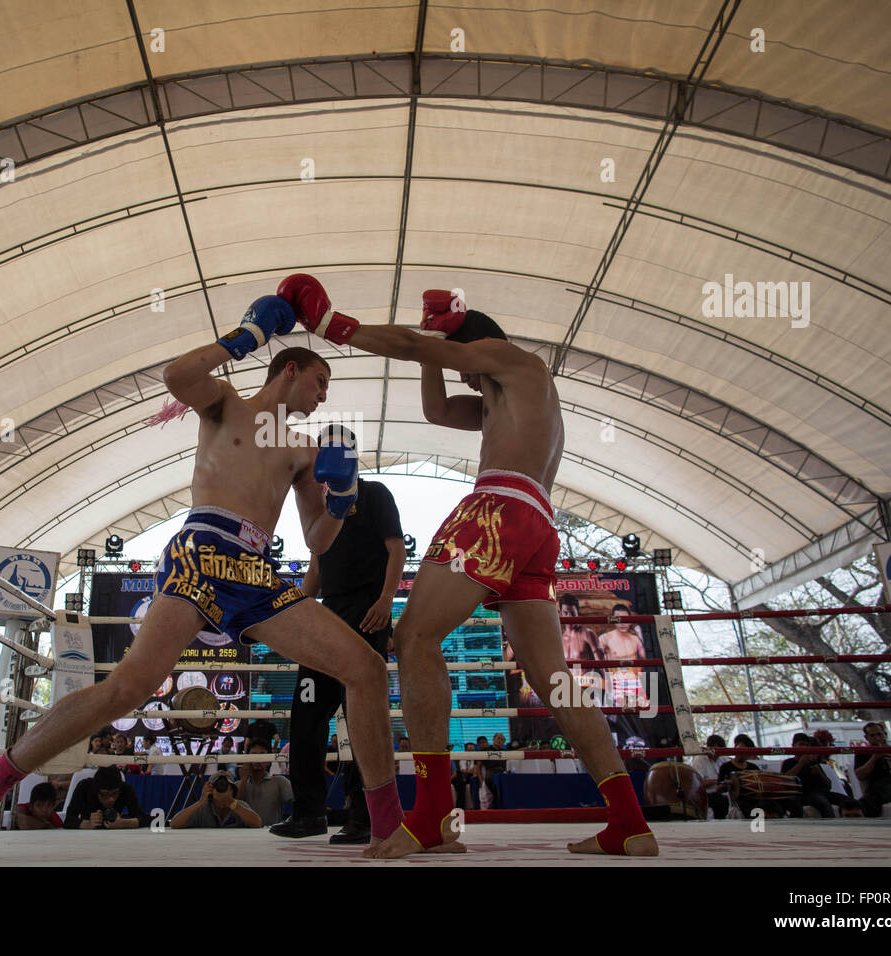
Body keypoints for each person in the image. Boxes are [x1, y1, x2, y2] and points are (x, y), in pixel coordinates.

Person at [0, 300, 398, 861]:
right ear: (290, 370)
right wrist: (250, 333)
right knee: (129, 688)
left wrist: (344, 499)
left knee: (366, 668)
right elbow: (177, 376)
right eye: (320, 380)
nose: (324, 396)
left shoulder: (306, 452)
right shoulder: (227, 404)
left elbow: (317, 542)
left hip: (258, 572)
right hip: (204, 549)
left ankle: (386, 826)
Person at [278, 276, 657, 857]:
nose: (468, 379)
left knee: (414, 635)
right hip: (536, 527)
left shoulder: (516, 360)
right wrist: (434, 344)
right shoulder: (513, 402)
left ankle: (431, 816)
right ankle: (630, 822)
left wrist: (335, 327)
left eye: (468, 367)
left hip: (498, 509)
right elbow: (433, 409)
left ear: (480, 346)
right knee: (554, 682)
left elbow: (422, 350)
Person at [269, 436, 405, 842]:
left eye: (334, 450)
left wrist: (386, 602)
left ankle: (364, 817)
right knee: (307, 714)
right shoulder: (322, 508)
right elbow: (315, 573)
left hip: (367, 612)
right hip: (326, 614)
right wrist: (285, 614)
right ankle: (309, 812)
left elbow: (396, 550)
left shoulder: (375, 493)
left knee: (362, 716)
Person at [63, 767, 150, 830]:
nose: (111, 799)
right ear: (96, 791)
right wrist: (88, 824)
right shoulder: (84, 787)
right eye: (105, 795)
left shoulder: (126, 789)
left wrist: (124, 823)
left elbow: (143, 818)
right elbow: (69, 820)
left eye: (115, 794)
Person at [171, 771, 261, 829]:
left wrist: (232, 803)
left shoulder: (240, 806)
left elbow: (257, 823)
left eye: (225, 785)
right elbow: (174, 824)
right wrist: (201, 801)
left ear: (232, 789)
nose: (221, 787)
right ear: (210, 789)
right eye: (217, 785)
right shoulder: (203, 808)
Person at [238, 740, 293, 826]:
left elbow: (297, 801)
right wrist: (244, 780)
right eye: (254, 755)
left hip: (271, 834)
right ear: (247, 759)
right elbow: (236, 809)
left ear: (268, 760)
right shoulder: (238, 784)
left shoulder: (280, 782)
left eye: (262, 755)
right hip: (244, 835)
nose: (258, 759)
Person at [691, 734, 728, 820]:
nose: (717, 753)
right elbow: (698, 783)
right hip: (708, 796)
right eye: (715, 749)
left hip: (724, 794)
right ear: (709, 748)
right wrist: (718, 781)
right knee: (721, 802)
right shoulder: (700, 760)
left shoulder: (723, 760)